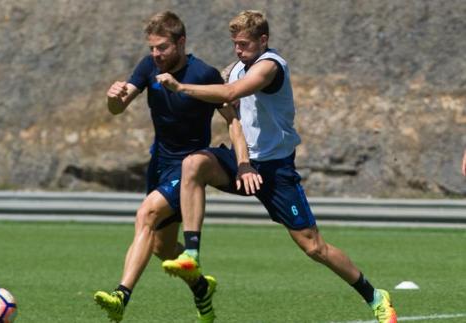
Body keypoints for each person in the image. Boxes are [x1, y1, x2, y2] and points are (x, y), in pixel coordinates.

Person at [156, 10, 398, 323]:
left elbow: (228, 93)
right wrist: (242, 162)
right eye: (235, 44)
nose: (238, 50)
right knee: (194, 165)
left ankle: (376, 296)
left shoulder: (270, 66)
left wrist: (181, 87)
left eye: (244, 43)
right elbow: (227, 102)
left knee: (314, 247)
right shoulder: (238, 68)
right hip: (244, 163)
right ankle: (191, 254)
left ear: (263, 40)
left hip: (275, 171)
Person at [93, 11, 249, 323]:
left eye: (162, 47)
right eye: (152, 47)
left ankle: (120, 297)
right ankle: (203, 290)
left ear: (181, 42)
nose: (155, 54)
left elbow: (233, 121)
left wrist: (243, 163)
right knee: (162, 249)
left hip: (188, 170)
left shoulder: (203, 74)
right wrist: (113, 98)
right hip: (159, 166)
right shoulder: (148, 66)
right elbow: (118, 107)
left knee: (146, 214)